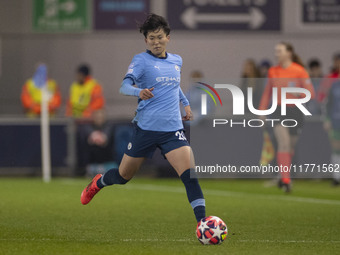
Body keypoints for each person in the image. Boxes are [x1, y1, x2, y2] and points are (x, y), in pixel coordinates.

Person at [80, 14, 206, 223]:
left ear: (168, 37)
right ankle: (98, 182)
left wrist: (186, 103)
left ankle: (203, 223)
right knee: (123, 177)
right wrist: (138, 92)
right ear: (146, 40)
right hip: (145, 129)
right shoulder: (141, 60)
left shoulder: (177, 60)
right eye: (151, 38)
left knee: (190, 177)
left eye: (159, 37)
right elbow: (124, 87)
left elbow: (173, 86)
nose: (156, 42)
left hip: (172, 130)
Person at [259, 42, 315, 192]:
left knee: (290, 146)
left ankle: (283, 174)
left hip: (296, 111)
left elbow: (310, 93)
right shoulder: (273, 71)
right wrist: (262, 110)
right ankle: (286, 180)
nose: (277, 54)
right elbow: (267, 92)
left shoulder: (300, 71)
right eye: (276, 51)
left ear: (289, 53)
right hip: (278, 110)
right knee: (283, 143)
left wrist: (300, 94)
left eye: (280, 51)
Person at [324, 79, 340, 186]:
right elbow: (327, 104)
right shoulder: (334, 86)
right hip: (336, 121)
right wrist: (327, 119)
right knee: (336, 148)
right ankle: (336, 177)